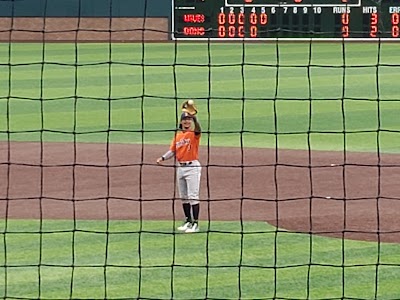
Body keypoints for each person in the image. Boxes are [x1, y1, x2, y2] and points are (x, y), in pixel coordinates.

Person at [156, 111, 202, 233]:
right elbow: (172, 151)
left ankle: (196, 224)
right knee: (183, 196)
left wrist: (195, 118)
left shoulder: (193, 134)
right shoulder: (177, 136)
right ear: (181, 122)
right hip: (180, 167)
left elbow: (198, 129)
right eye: (185, 119)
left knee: (193, 196)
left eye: (189, 119)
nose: (187, 121)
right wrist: (162, 158)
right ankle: (188, 221)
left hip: (192, 166)